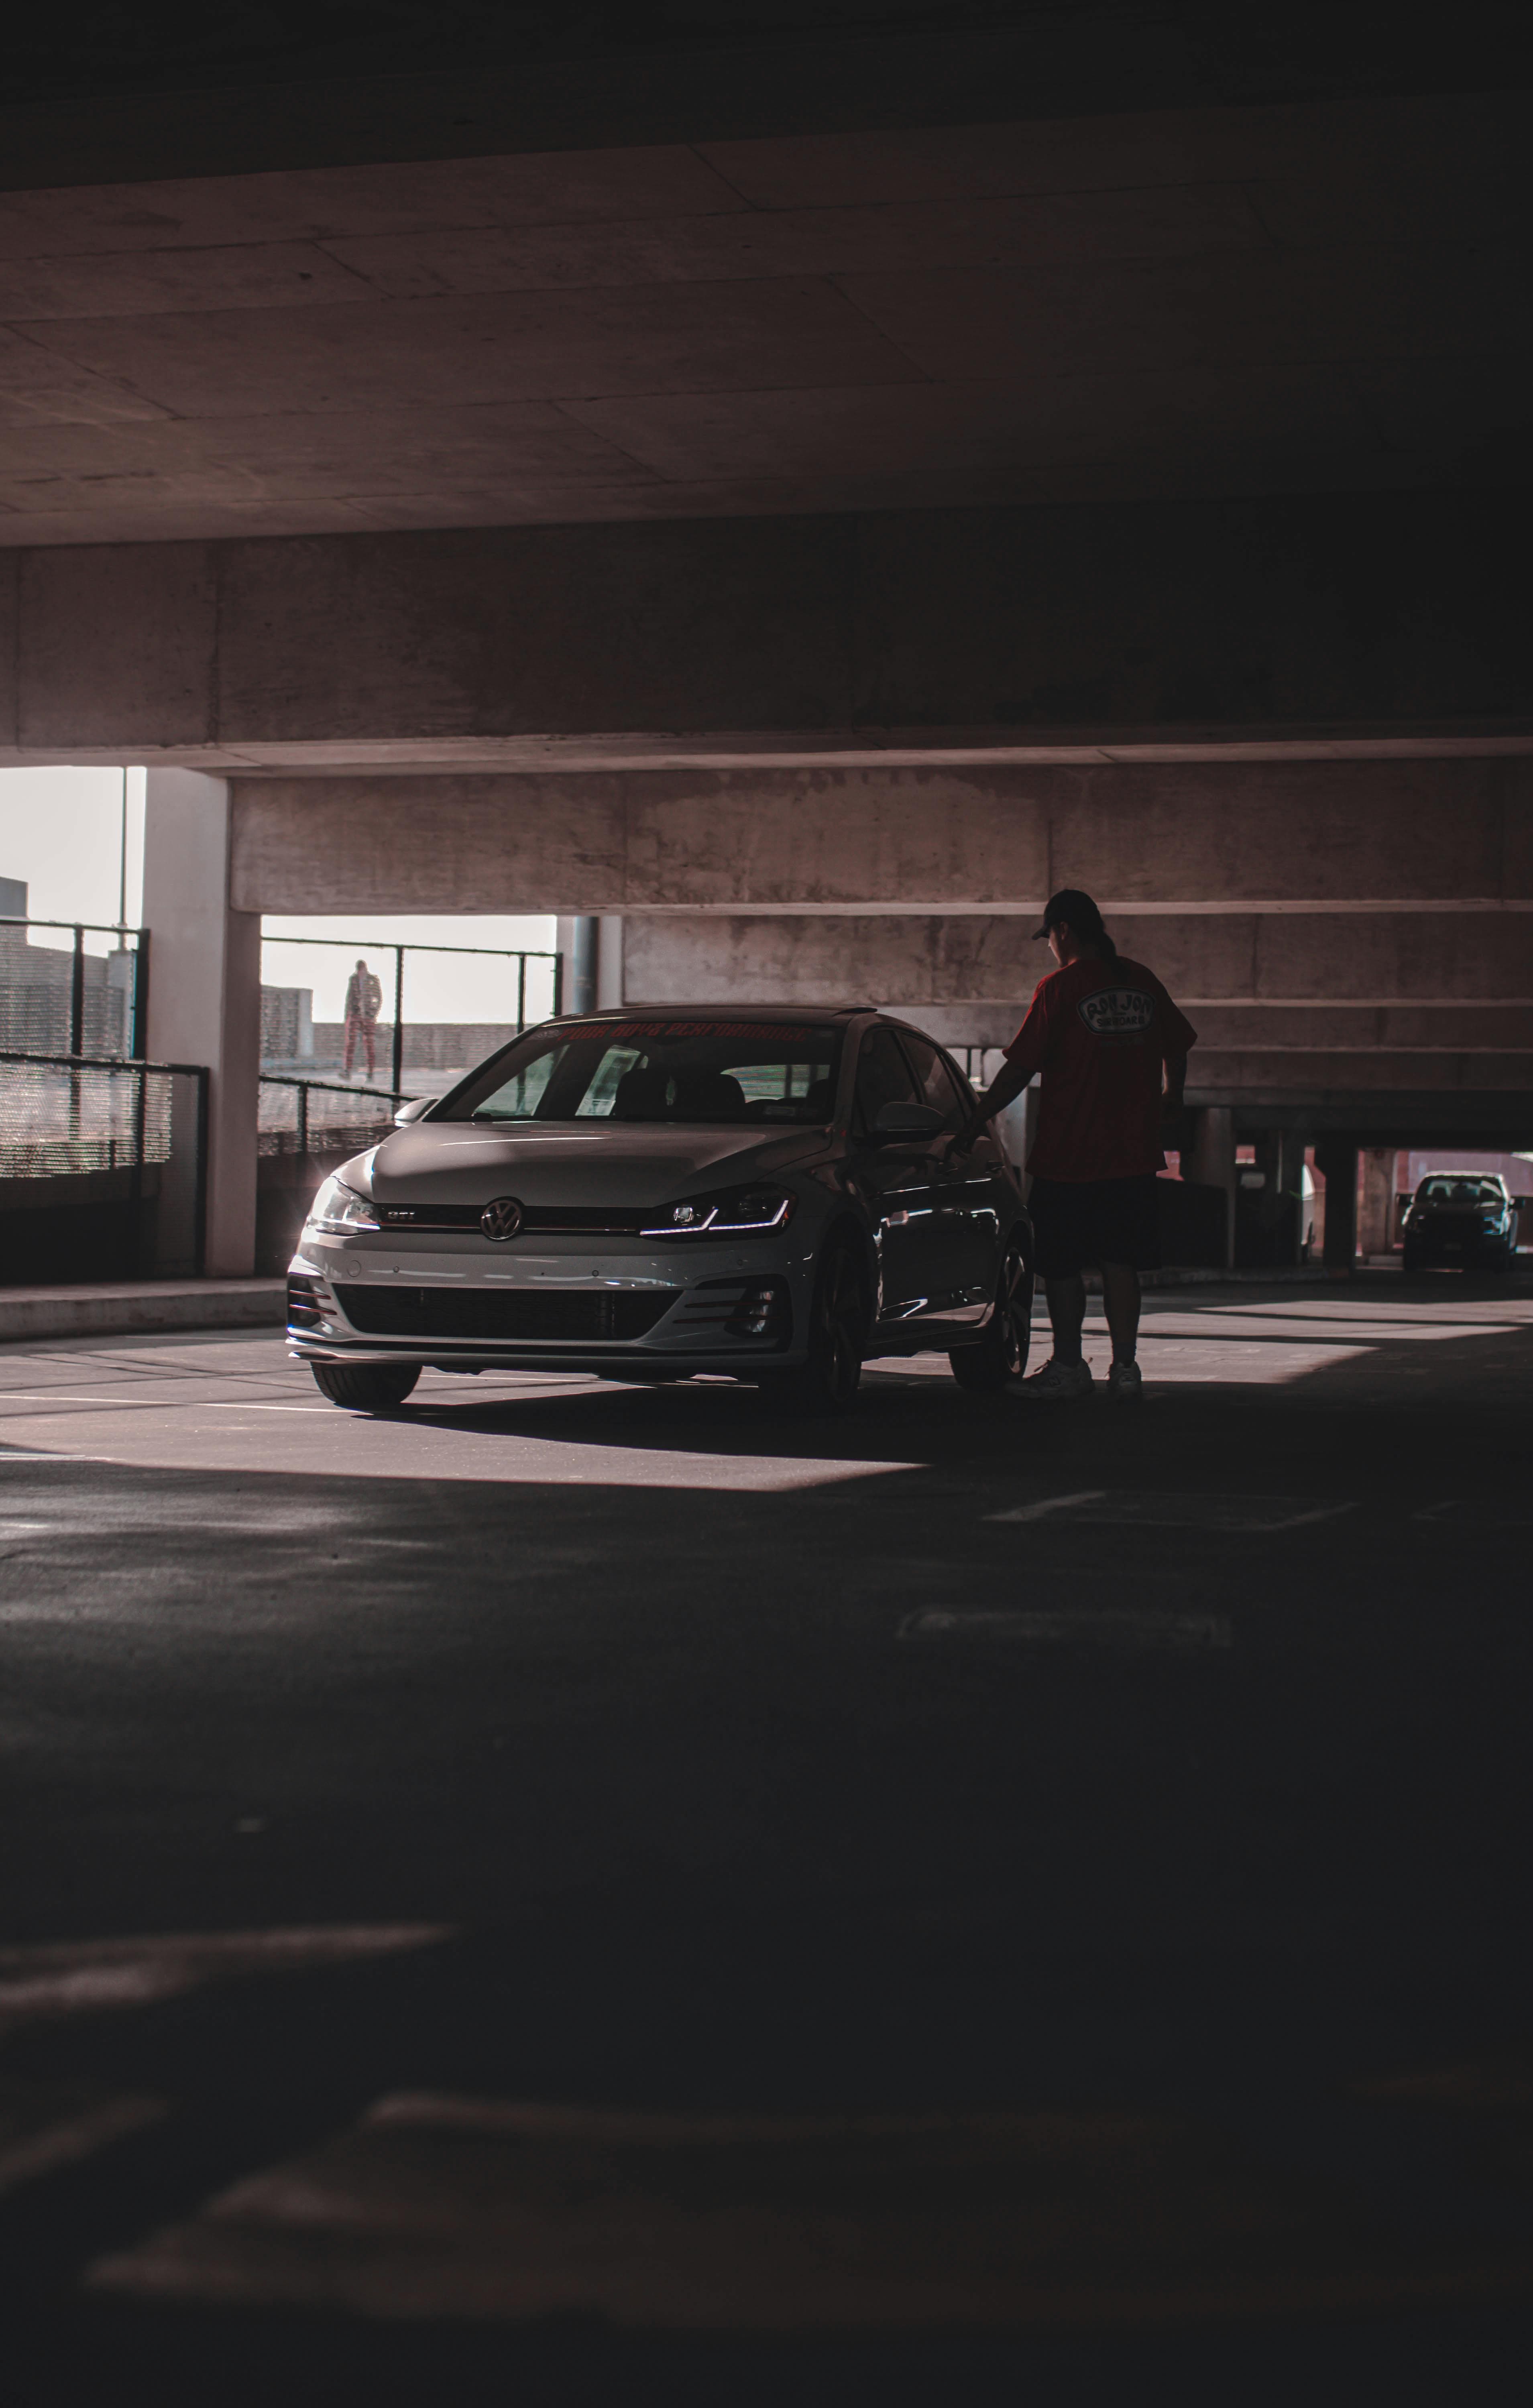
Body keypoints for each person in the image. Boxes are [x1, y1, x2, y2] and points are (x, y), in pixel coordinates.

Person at [954, 888, 1196, 1402]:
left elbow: (1020, 1068)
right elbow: (1177, 1045)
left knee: (1062, 1269)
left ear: (1062, 930)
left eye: (1049, 937)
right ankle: (1126, 1369)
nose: (1051, 946)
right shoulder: (1142, 980)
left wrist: (976, 1117)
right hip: (1131, 1156)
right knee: (1120, 1264)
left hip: (1068, 1156)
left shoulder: (1059, 988)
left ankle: (1069, 1366)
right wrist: (1172, 1094)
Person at [343, 958, 382, 1079]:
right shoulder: (354, 979)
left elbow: (378, 997)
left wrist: (373, 1013)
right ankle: (348, 1071)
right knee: (351, 1044)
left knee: (369, 1045)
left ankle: (370, 1073)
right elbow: (350, 997)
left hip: (367, 1016)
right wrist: (348, 1015)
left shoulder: (373, 980)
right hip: (355, 1015)